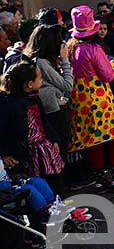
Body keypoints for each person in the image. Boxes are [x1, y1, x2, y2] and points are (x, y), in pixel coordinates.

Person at [68, 6, 114, 192]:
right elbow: (107, 75)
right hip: (99, 97)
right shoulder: (94, 49)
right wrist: (112, 65)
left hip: (79, 99)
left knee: (92, 141)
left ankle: (99, 181)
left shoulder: (70, 48)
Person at [0, 60, 66, 192]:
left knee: (55, 179)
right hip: (26, 153)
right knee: (37, 183)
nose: (41, 81)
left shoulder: (34, 98)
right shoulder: (8, 106)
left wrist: (53, 139)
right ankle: (48, 209)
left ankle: (59, 206)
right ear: (30, 84)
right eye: (40, 78)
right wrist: (4, 154)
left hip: (44, 148)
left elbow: (44, 121)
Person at [23, 25, 75, 171]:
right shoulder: (42, 63)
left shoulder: (36, 59)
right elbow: (67, 85)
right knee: (60, 150)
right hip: (54, 110)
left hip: (49, 108)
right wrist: (64, 59)